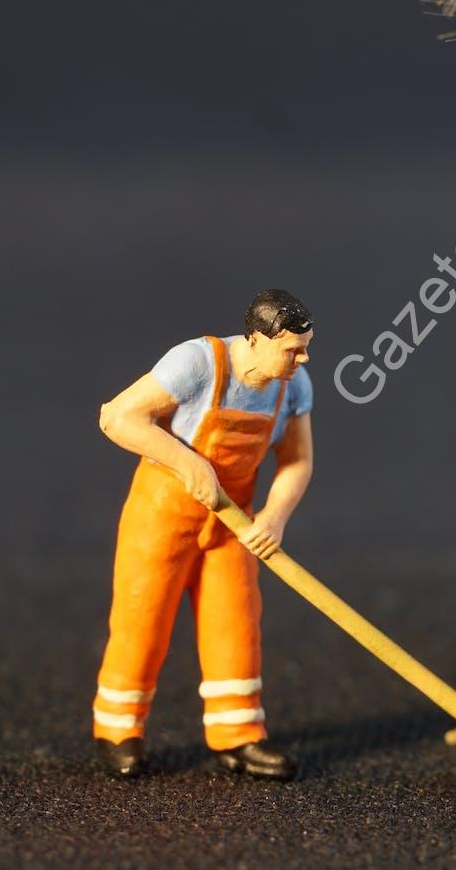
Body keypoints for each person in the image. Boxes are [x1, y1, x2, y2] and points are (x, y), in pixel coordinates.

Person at [91, 289, 316, 781]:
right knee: (143, 620)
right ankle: (119, 730)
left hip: (233, 527)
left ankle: (238, 735)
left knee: (235, 624)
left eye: (305, 349)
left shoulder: (292, 386)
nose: (302, 360)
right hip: (161, 518)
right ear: (255, 340)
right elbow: (117, 417)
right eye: (292, 350)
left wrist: (274, 517)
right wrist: (186, 462)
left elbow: (297, 461)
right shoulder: (197, 364)